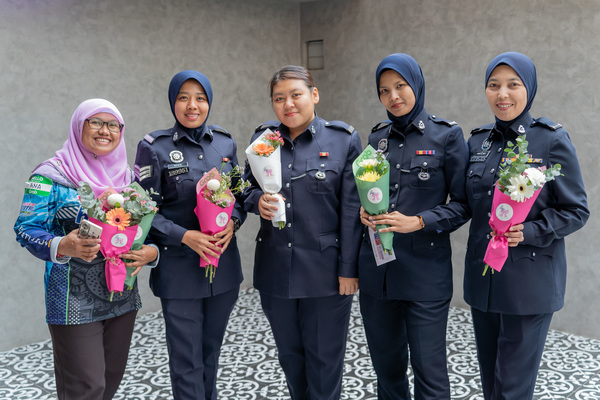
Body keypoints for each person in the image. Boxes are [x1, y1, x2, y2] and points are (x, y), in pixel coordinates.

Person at [14, 98, 158, 400]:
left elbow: (142, 229)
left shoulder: (128, 179)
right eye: (95, 122)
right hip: (71, 300)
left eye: (113, 125)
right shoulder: (50, 176)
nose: (104, 131)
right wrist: (61, 244)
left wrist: (149, 253)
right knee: (86, 388)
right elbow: (25, 229)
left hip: (122, 296)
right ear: (79, 126)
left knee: (109, 382)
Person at [464, 52, 589, 400]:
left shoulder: (551, 140)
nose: (502, 94)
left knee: (512, 389)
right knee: (491, 383)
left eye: (512, 85)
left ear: (528, 88)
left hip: (527, 285)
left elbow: (576, 210)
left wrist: (530, 231)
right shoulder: (477, 143)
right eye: (494, 85)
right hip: (484, 281)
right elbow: (466, 204)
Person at [242, 65, 363, 400]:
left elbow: (352, 212)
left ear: (314, 95)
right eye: (279, 98)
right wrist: (257, 202)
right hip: (275, 272)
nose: (288, 104)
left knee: (324, 366)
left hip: (325, 276)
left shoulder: (343, 139)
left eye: (296, 95)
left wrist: (349, 271)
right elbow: (244, 189)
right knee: (291, 361)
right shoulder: (264, 139)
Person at [358, 53, 470, 399]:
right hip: (378, 275)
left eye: (401, 86)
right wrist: (363, 214)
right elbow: (369, 192)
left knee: (429, 373)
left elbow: (464, 206)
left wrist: (419, 221)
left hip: (425, 275)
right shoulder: (377, 138)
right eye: (384, 90)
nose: (394, 96)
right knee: (387, 371)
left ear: (416, 85)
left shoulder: (447, 136)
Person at [134, 70, 245, 400]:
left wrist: (232, 223)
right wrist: (185, 236)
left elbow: (238, 195)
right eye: (183, 97)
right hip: (178, 270)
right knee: (186, 361)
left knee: (210, 354)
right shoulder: (153, 147)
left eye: (200, 98)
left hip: (222, 270)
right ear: (173, 102)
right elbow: (143, 210)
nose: (192, 105)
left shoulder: (225, 143)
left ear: (209, 102)